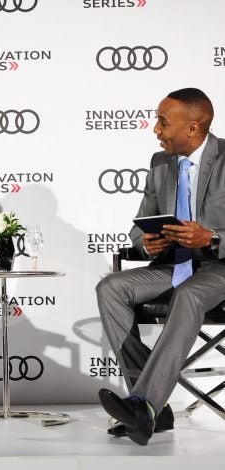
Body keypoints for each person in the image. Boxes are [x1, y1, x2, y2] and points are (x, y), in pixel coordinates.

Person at [96, 88, 225, 445]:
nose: (155, 129)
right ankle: (153, 407)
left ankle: (144, 405)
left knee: (190, 293)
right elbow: (140, 227)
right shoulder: (160, 163)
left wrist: (212, 237)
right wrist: (146, 242)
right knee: (111, 287)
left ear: (193, 127)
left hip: (220, 268)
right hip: (175, 264)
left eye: (163, 122)